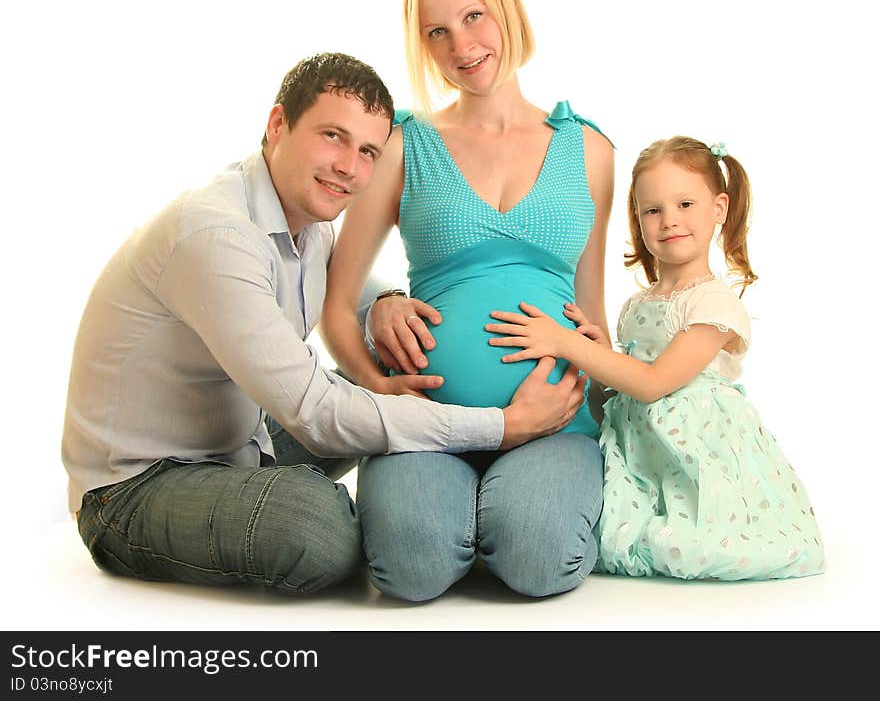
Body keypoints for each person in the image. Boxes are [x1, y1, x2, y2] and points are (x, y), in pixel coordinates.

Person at [61, 52, 587, 596]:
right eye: (332, 136)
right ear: (277, 125)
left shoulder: (310, 225)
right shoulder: (215, 236)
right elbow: (316, 412)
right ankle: (331, 510)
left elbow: (352, 293)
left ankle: (298, 500)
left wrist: (385, 301)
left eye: (367, 152)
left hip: (242, 440)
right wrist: (502, 425)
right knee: (321, 531)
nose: (349, 167)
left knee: (370, 371)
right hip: (138, 485)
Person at [321, 0, 615, 600]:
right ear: (423, 45)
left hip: (555, 420)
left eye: (475, 15)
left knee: (540, 557)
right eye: (438, 31)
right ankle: (467, 519)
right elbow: (335, 302)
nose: (463, 44)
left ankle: (507, 514)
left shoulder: (590, 150)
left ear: (506, 10)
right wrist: (375, 382)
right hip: (428, 418)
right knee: (410, 567)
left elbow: (592, 314)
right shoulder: (402, 145)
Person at [486, 137, 825, 580]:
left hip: (692, 449)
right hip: (643, 450)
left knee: (695, 537)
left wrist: (569, 345)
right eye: (653, 210)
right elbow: (624, 390)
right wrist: (597, 360)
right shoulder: (637, 305)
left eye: (685, 204)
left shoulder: (713, 305)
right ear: (638, 220)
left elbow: (652, 383)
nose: (670, 221)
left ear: (718, 208)